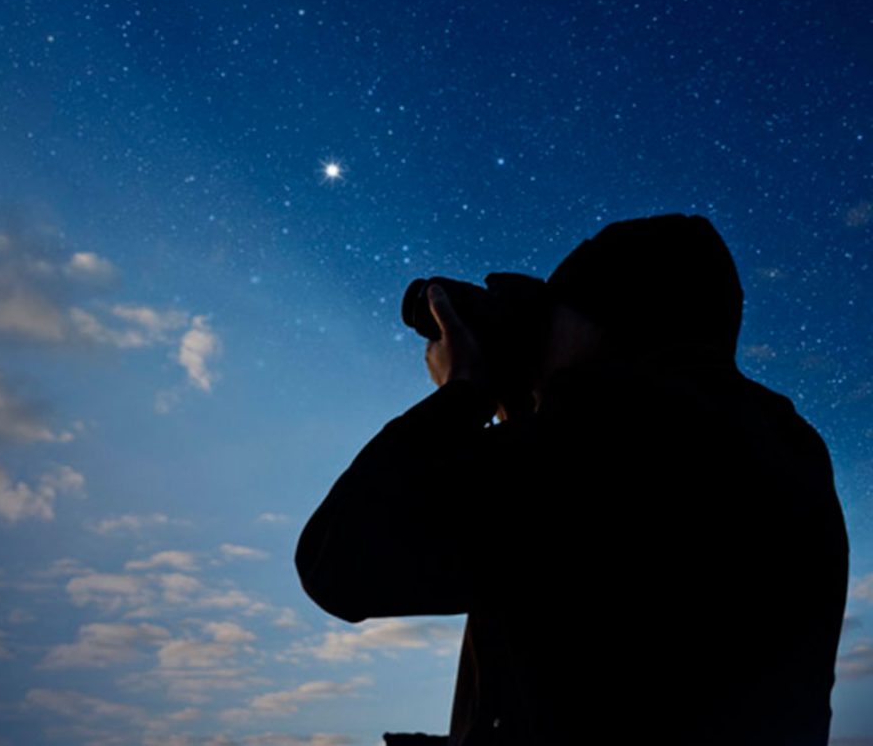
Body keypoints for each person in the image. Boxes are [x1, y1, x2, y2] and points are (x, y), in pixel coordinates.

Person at [295, 214, 849, 745]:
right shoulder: (784, 443)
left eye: (551, 316)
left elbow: (335, 561)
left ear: (611, 321)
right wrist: (526, 410)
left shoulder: (613, 442)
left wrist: (464, 393)